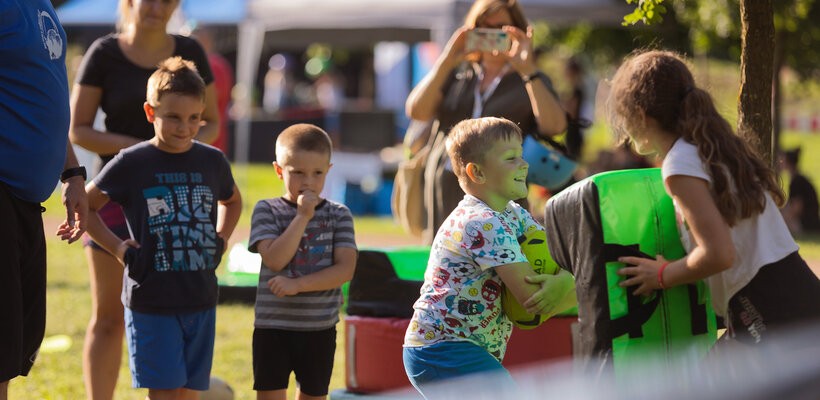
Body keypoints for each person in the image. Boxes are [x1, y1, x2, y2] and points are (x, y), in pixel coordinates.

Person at [608, 50, 820, 346]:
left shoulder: (679, 164)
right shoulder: (709, 147)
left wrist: (662, 275)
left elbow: (719, 253)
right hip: (791, 297)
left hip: (769, 309)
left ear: (641, 116)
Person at [69, 1, 220, 398]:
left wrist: (178, 150)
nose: (157, 7)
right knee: (109, 317)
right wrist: (142, 152)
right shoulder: (104, 52)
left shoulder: (192, 52)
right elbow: (78, 129)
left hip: (177, 196)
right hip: (115, 194)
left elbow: (214, 122)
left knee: (179, 312)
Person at [83, 56, 241, 399]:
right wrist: (118, 248)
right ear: (150, 112)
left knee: (189, 393)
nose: (184, 128)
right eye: (173, 117)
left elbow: (233, 201)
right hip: (151, 300)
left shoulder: (212, 161)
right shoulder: (131, 161)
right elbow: (86, 206)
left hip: (200, 299)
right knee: (165, 393)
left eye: (193, 119)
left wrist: (222, 238)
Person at [402, 117, 576, 398]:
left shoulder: (512, 213)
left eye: (521, 156)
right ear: (477, 173)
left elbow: (556, 250)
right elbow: (531, 300)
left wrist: (567, 277)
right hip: (444, 348)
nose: (524, 164)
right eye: (511, 158)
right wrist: (574, 284)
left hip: (459, 347)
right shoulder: (481, 222)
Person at [405, 0, 567, 244]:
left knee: (502, 261)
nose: (492, 34)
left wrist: (527, 69)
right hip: (447, 182)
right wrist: (448, 59)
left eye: (501, 27)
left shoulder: (530, 77)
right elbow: (417, 111)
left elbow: (555, 127)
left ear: (518, 30)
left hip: (500, 188)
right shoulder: (457, 72)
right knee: (449, 263)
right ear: (471, 28)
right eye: (484, 27)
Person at [1, 1, 88, 398]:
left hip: (25, 199)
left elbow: (43, 95)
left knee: (14, 344)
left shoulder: (41, 6)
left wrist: (71, 172)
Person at [248, 124, 358, 400]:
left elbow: (345, 269)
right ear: (278, 170)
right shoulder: (266, 209)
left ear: (328, 171)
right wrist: (302, 217)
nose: (308, 181)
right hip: (272, 328)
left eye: (317, 173)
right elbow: (274, 260)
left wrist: (298, 285)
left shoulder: (339, 215)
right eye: (297, 172)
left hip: (318, 328)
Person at [193, 26, 234, 155]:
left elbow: (210, 97)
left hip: (208, 136)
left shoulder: (214, 65)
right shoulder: (218, 63)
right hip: (207, 134)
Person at [780, 148, 820, 234]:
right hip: (810, 221)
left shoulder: (797, 181)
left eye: (782, 160)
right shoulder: (798, 179)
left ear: (788, 162)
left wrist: (780, 218)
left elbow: (797, 208)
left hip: (807, 223)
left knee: (780, 224)